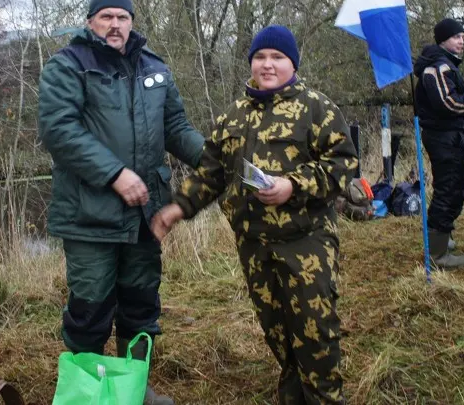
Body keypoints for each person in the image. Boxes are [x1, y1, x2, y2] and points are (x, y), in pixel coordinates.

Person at [151, 25, 358, 405]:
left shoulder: (317, 108)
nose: (267, 65)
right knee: (277, 330)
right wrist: (178, 207)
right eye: (260, 57)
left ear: (291, 64)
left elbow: (343, 166)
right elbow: (211, 173)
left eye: (277, 58)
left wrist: (292, 186)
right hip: (253, 244)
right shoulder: (233, 116)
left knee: (314, 333)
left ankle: (325, 398)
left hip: (304, 242)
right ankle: (293, 393)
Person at [38, 0, 204, 405]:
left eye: (122, 17)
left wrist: (218, 158)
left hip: (144, 212)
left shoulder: (155, 69)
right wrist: (115, 174)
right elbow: (59, 130)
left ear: (132, 22)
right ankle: (90, 393)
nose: (115, 24)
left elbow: (177, 128)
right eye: (106, 16)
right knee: (91, 308)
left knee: (141, 303)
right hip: (89, 216)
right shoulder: (68, 65)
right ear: (91, 21)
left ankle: (133, 388)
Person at [413, 18, 464, 269]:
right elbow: (448, 103)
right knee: (448, 191)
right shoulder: (438, 67)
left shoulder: (445, 64)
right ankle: (437, 255)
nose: (461, 42)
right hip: (443, 139)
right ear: (443, 40)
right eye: (456, 37)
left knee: (456, 188)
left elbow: (450, 95)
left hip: (451, 138)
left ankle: (440, 238)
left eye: (463, 37)